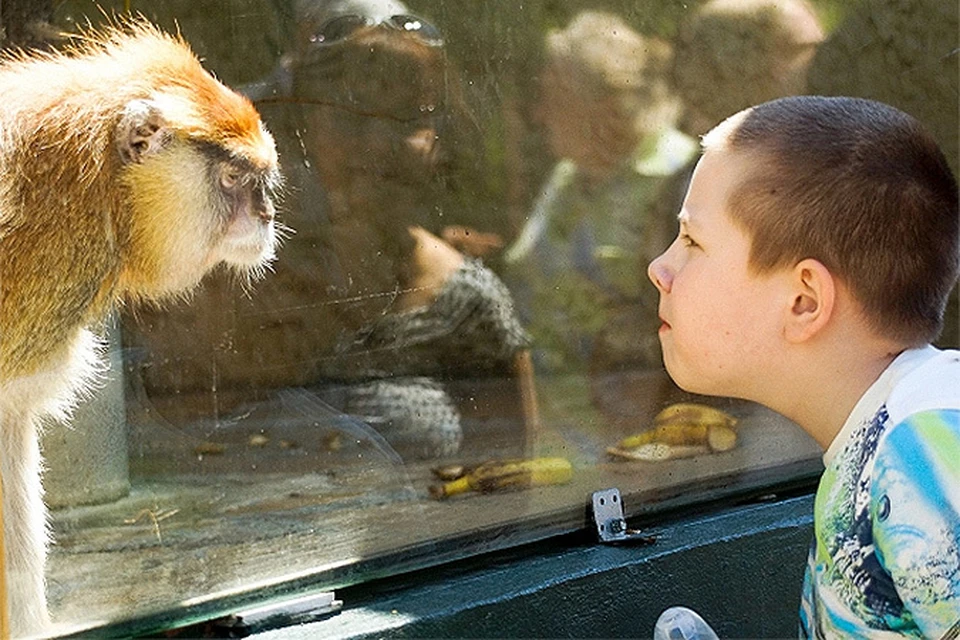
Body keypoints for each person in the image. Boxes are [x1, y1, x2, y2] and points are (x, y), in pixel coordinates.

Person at [647, 95, 960, 638]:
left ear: (804, 302)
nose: (660, 268)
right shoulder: (882, 439)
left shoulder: (924, 446)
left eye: (692, 240)